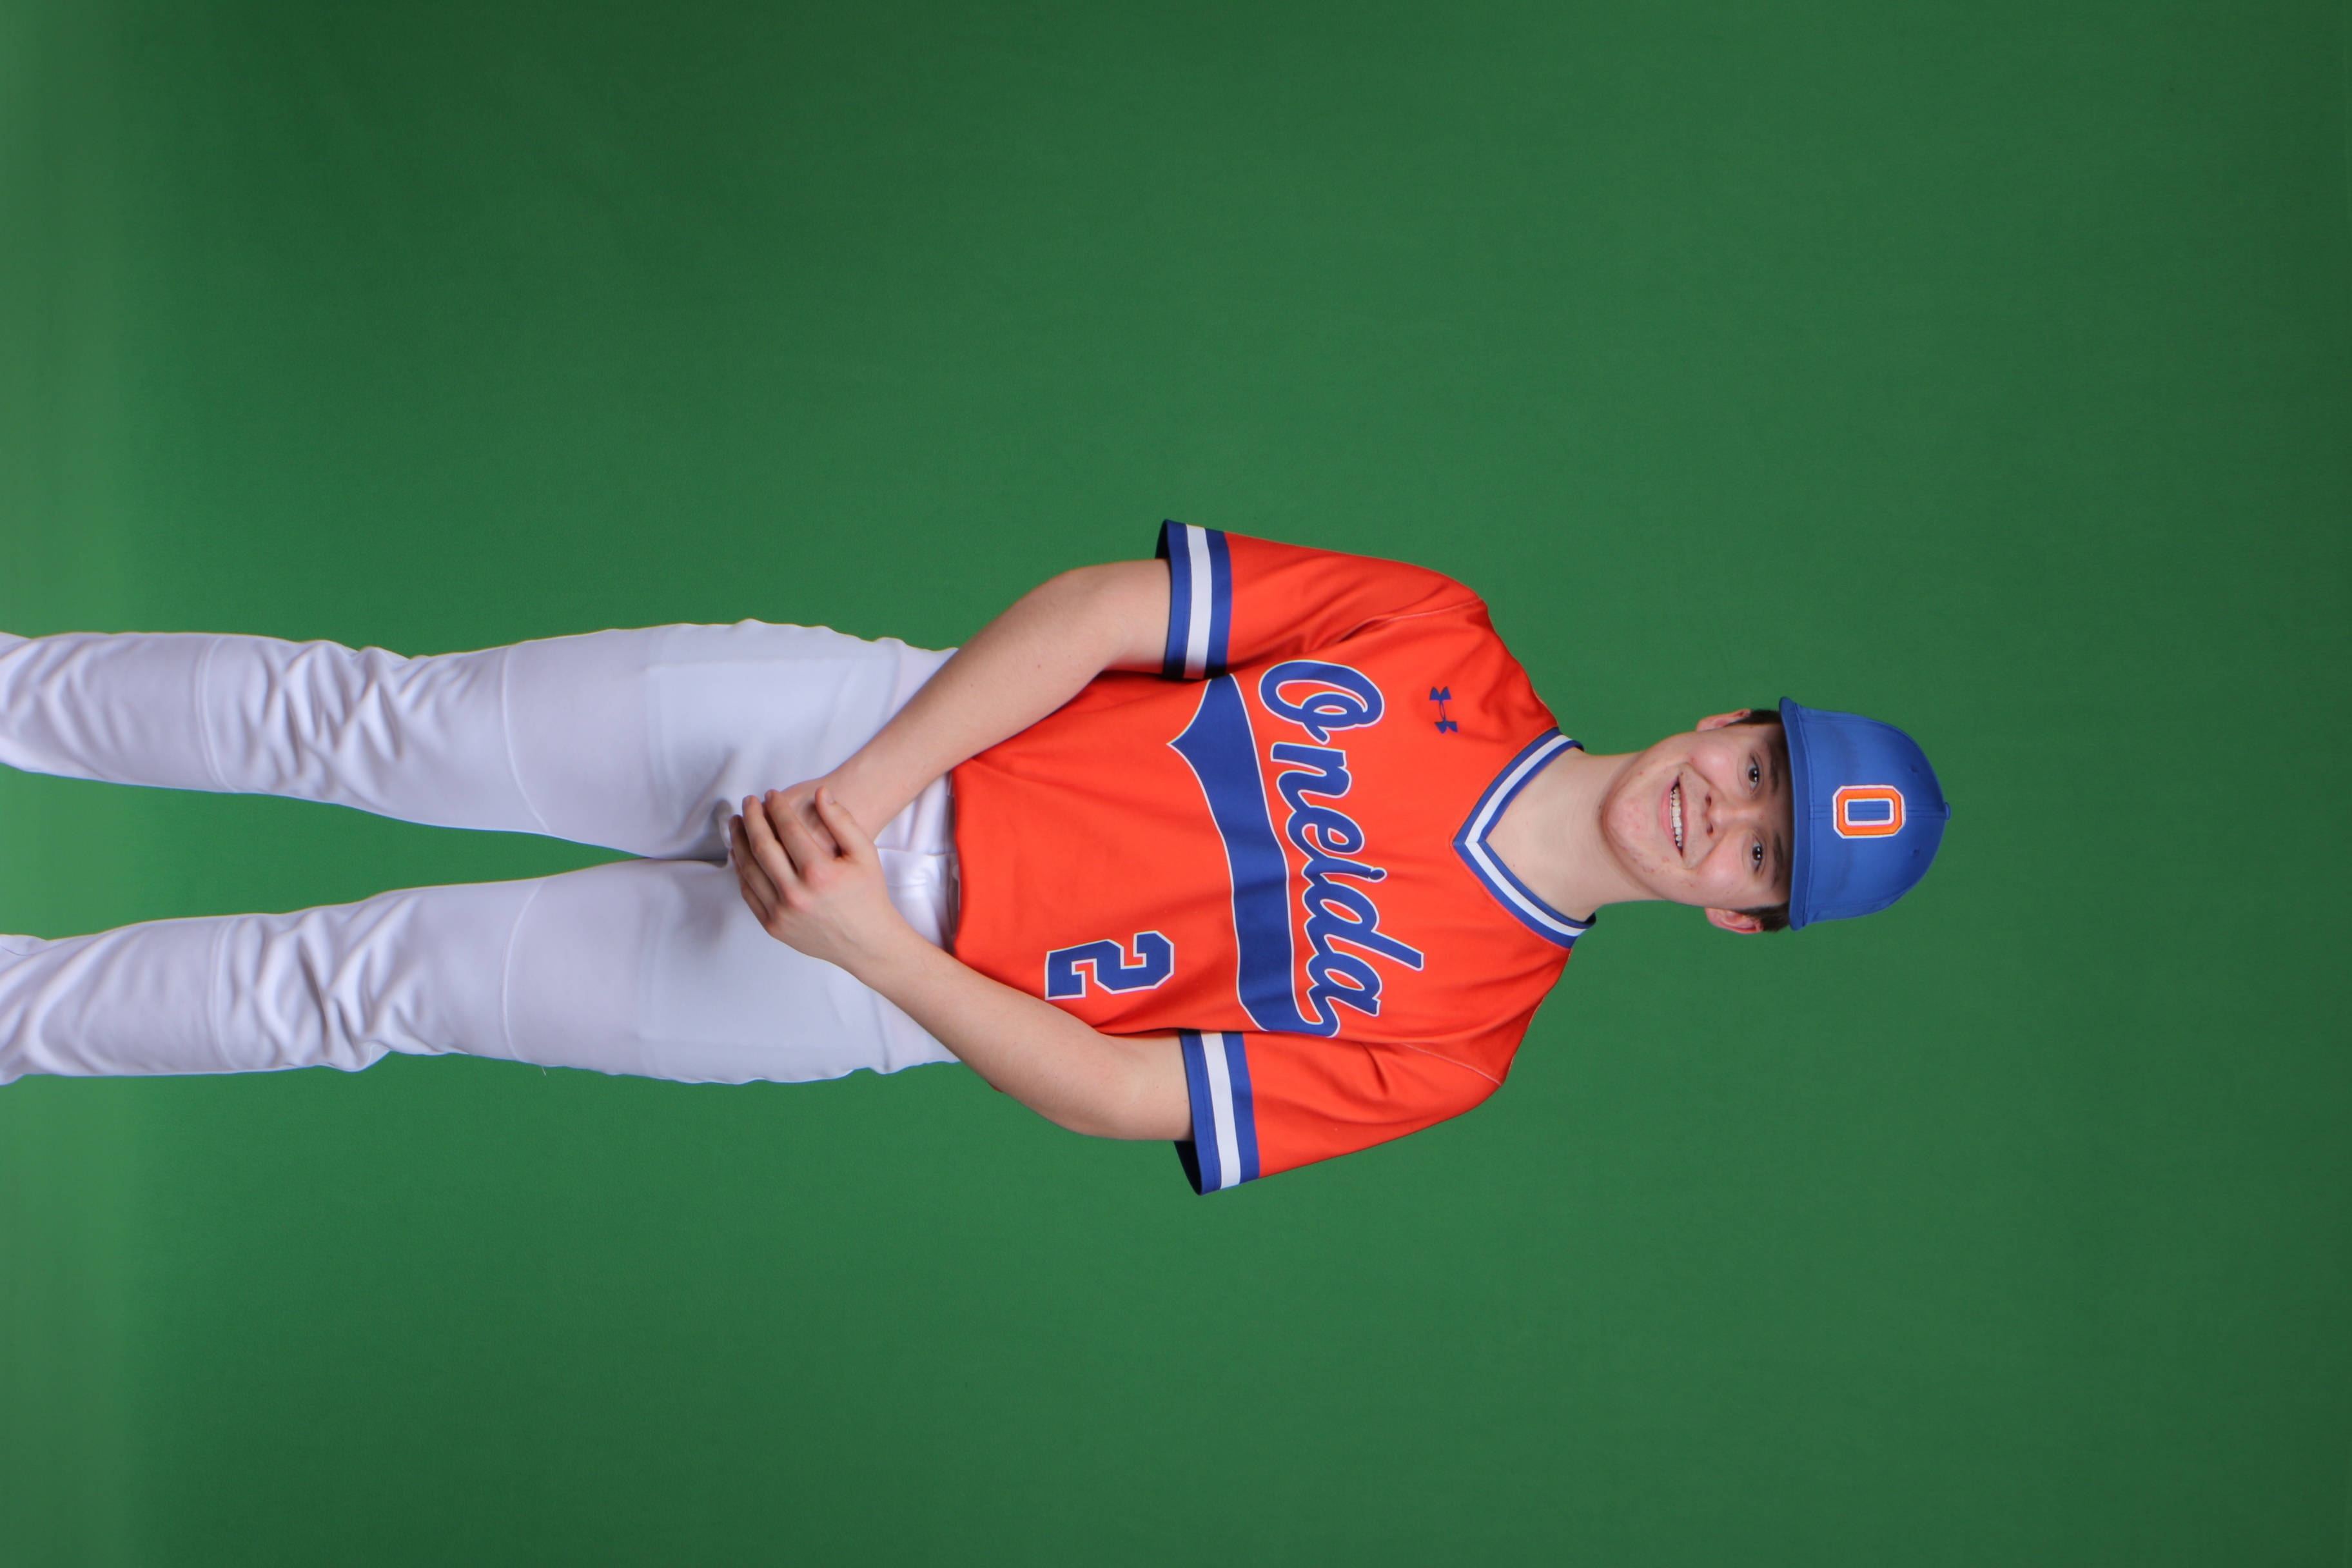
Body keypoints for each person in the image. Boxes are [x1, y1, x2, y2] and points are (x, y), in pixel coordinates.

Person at [0, 523, 1948, 1192]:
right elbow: (1107, 614)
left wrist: (869, 947)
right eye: (1757, 767)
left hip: (856, 987)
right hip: (856, 726)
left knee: (368, 986)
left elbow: (1125, 1092)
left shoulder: (1464, 1036)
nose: (1726, 810)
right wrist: (865, 783)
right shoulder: (1438, 636)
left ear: (1742, 915)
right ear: (1726, 718)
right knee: (370, 723)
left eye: (1764, 852)